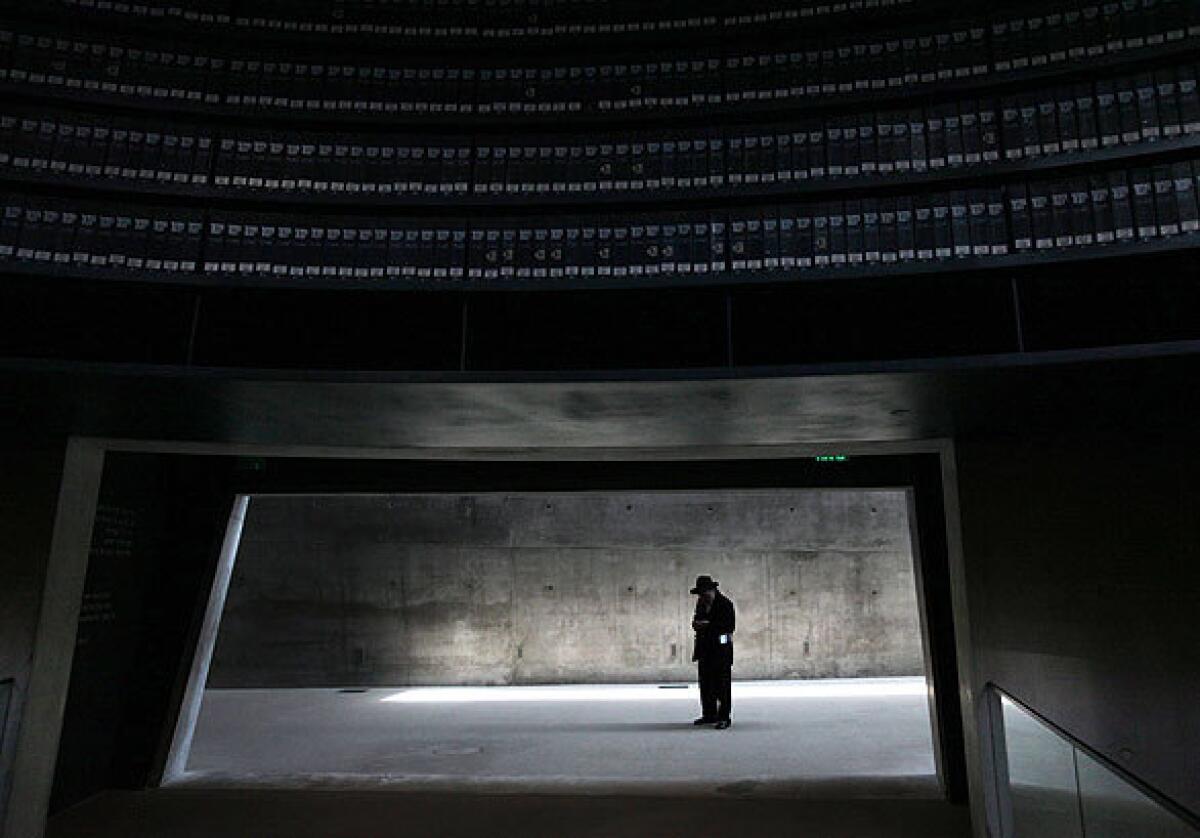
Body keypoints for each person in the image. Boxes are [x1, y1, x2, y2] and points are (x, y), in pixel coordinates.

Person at [690, 575, 735, 729]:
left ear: (712, 590)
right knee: (706, 685)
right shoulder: (701, 603)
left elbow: (729, 627)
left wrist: (707, 625)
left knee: (722, 685)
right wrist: (697, 624)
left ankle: (724, 717)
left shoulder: (725, 604)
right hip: (704, 650)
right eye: (700, 594)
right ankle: (709, 714)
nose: (702, 597)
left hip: (721, 652)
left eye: (704, 593)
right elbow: (696, 619)